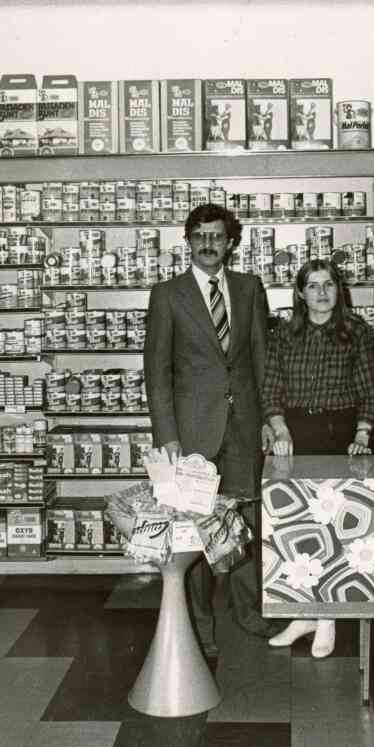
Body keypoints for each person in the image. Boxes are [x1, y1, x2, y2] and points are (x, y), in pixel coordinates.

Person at [143, 203, 279, 658]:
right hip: (191, 433)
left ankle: (250, 612)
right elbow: (157, 374)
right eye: (199, 236)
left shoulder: (249, 288)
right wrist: (169, 439)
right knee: (194, 532)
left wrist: (266, 420)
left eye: (216, 237)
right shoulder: (167, 295)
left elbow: (261, 360)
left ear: (231, 243)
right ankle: (200, 625)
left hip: (242, 429)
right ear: (187, 241)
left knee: (246, 522)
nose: (208, 244)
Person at [261, 258, 374, 658]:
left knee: (334, 526)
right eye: (312, 286)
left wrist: (363, 434)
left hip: (341, 434)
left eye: (328, 284)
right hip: (295, 434)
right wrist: (280, 430)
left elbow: (369, 392)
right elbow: (272, 389)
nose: (321, 292)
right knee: (295, 524)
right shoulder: (283, 333)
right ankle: (305, 613)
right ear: (300, 293)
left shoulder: (356, 332)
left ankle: (326, 617)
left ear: (339, 289)